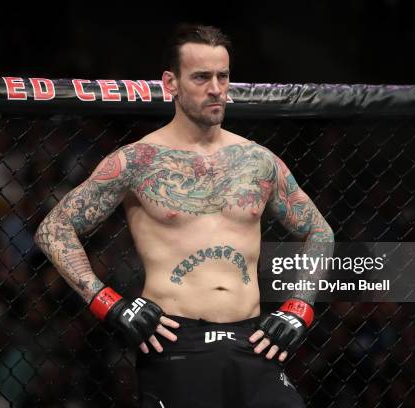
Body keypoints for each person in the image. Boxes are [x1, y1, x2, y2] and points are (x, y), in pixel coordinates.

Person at [34, 23, 334, 408]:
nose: (215, 88)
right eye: (201, 77)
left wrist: (299, 308)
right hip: (175, 341)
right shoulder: (138, 161)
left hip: (253, 341)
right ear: (171, 83)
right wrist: (108, 303)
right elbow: (54, 228)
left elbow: (319, 232)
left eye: (222, 76)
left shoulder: (258, 161)